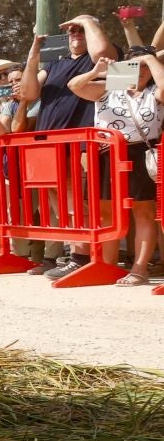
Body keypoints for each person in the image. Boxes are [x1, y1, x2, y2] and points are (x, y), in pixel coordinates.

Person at [16, 16, 110, 276]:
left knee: (81, 200)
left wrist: (87, 20)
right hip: (50, 142)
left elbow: (104, 52)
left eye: (80, 30)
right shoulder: (56, 65)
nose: (74, 34)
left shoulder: (102, 58)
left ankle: (84, 257)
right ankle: (74, 254)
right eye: (71, 31)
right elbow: (27, 93)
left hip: (82, 140)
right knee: (62, 201)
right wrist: (35, 51)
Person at [70, 42, 164, 285]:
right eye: (134, 65)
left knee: (144, 213)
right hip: (106, 154)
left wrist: (151, 59)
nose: (140, 69)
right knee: (105, 214)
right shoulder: (110, 88)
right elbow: (74, 86)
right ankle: (107, 267)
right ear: (125, 67)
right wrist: (98, 70)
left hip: (141, 155)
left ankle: (139, 269)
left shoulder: (155, 92)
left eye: (144, 66)